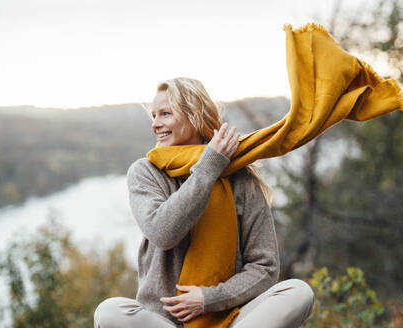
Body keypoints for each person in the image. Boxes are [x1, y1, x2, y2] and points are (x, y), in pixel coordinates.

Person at [93, 77, 315, 328]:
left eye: (165, 114)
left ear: (194, 115)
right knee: (109, 312)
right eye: (153, 116)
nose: (156, 124)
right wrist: (208, 169)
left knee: (298, 292)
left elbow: (264, 266)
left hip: (233, 317)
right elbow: (162, 232)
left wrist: (210, 299)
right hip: (164, 321)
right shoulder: (145, 172)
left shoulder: (240, 177)